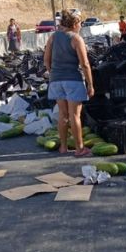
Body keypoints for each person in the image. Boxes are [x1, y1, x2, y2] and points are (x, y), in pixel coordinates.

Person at [43, 10, 95, 158]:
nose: (80, 26)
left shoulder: (53, 37)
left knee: (63, 115)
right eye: (80, 23)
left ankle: (63, 147)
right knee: (75, 115)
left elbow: (46, 60)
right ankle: (79, 149)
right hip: (73, 80)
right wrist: (90, 84)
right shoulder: (76, 39)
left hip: (56, 80)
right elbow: (84, 64)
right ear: (74, 24)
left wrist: (53, 72)